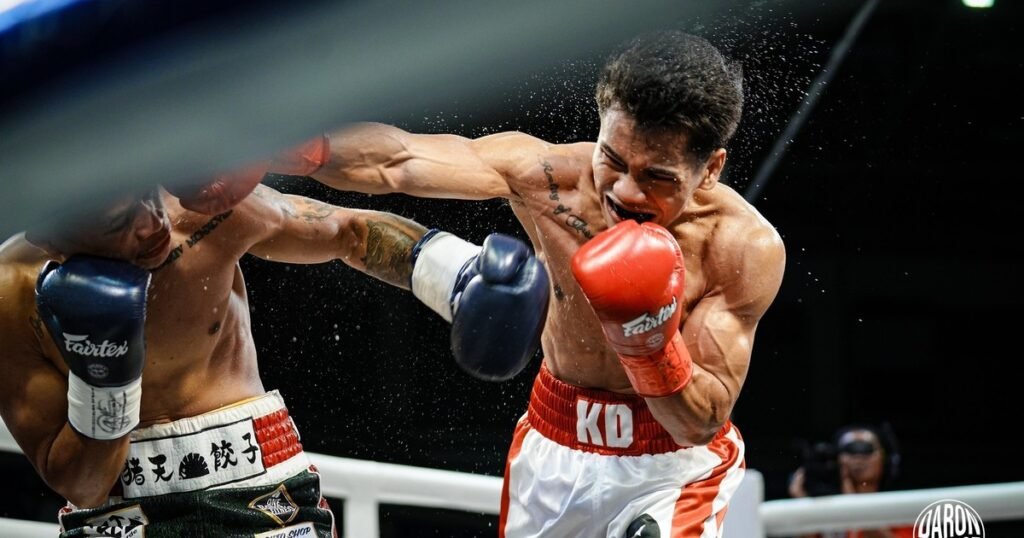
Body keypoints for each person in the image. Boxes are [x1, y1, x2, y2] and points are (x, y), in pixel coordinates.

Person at [305, 30, 786, 537]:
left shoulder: (740, 246)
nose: (625, 191)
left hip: (673, 470)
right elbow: (397, 160)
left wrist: (648, 342)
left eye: (657, 177)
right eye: (613, 160)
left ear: (710, 169)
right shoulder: (549, 179)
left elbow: (700, 421)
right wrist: (299, 151)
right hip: (553, 447)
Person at [0, 144, 548, 537]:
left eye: (147, 194)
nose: (153, 222)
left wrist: (455, 277)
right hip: (120, 517)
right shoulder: (10, 295)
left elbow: (349, 232)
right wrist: (106, 381)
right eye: (120, 221)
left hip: (258, 491)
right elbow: (83, 484)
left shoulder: (197, 212)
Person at [788, 425, 912, 538]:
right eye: (850, 450)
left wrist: (852, 504)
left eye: (866, 449)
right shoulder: (827, 511)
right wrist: (804, 509)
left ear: (886, 458)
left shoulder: (902, 508)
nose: (858, 458)